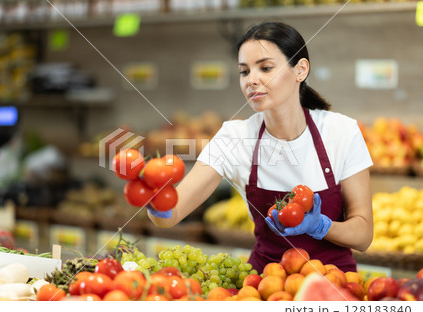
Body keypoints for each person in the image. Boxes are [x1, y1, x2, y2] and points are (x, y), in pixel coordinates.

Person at [147, 22, 373, 273]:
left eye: (265, 68)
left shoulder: (341, 132)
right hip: (265, 285)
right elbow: (171, 216)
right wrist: (153, 194)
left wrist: (321, 226)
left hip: (335, 281)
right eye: (244, 72)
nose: (251, 80)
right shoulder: (234, 137)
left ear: (300, 70)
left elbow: (363, 236)